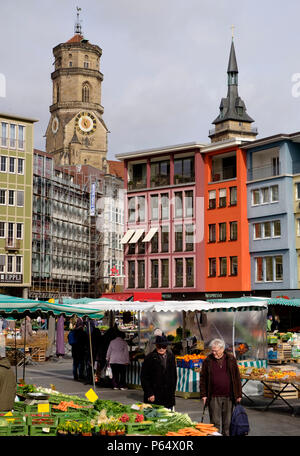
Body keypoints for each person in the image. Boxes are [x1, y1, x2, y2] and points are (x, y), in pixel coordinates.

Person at [200, 338, 242, 436]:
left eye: (216, 350)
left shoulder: (231, 359)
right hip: (213, 396)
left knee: (227, 422)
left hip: (229, 396)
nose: (214, 352)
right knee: (215, 422)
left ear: (222, 349)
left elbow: (237, 377)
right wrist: (204, 395)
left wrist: (239, 394)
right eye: (212, 350)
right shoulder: (208, 360)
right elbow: (203, 379)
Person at [141, 334, 177, 410]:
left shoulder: (171, 357)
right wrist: (149, 393)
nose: (161, 348)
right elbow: (144, 377)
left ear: (166, 346)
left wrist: (172, 392)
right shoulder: (149, 358)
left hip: (168, 396)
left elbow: (174, 375)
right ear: (156, 346)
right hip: (154, 395)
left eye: (163, 346)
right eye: (159, 346)